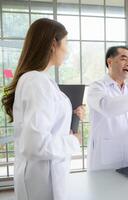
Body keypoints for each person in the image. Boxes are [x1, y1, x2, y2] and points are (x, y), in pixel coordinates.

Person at [1, 18, 84, 200]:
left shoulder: (40, 80)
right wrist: (73, 141)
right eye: (66, 43)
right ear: (54, 43)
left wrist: (70, 118)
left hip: (45, 176)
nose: (67, 50)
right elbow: (35, 145)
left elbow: (46, 126)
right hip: (41, 183)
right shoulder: (36, 82)